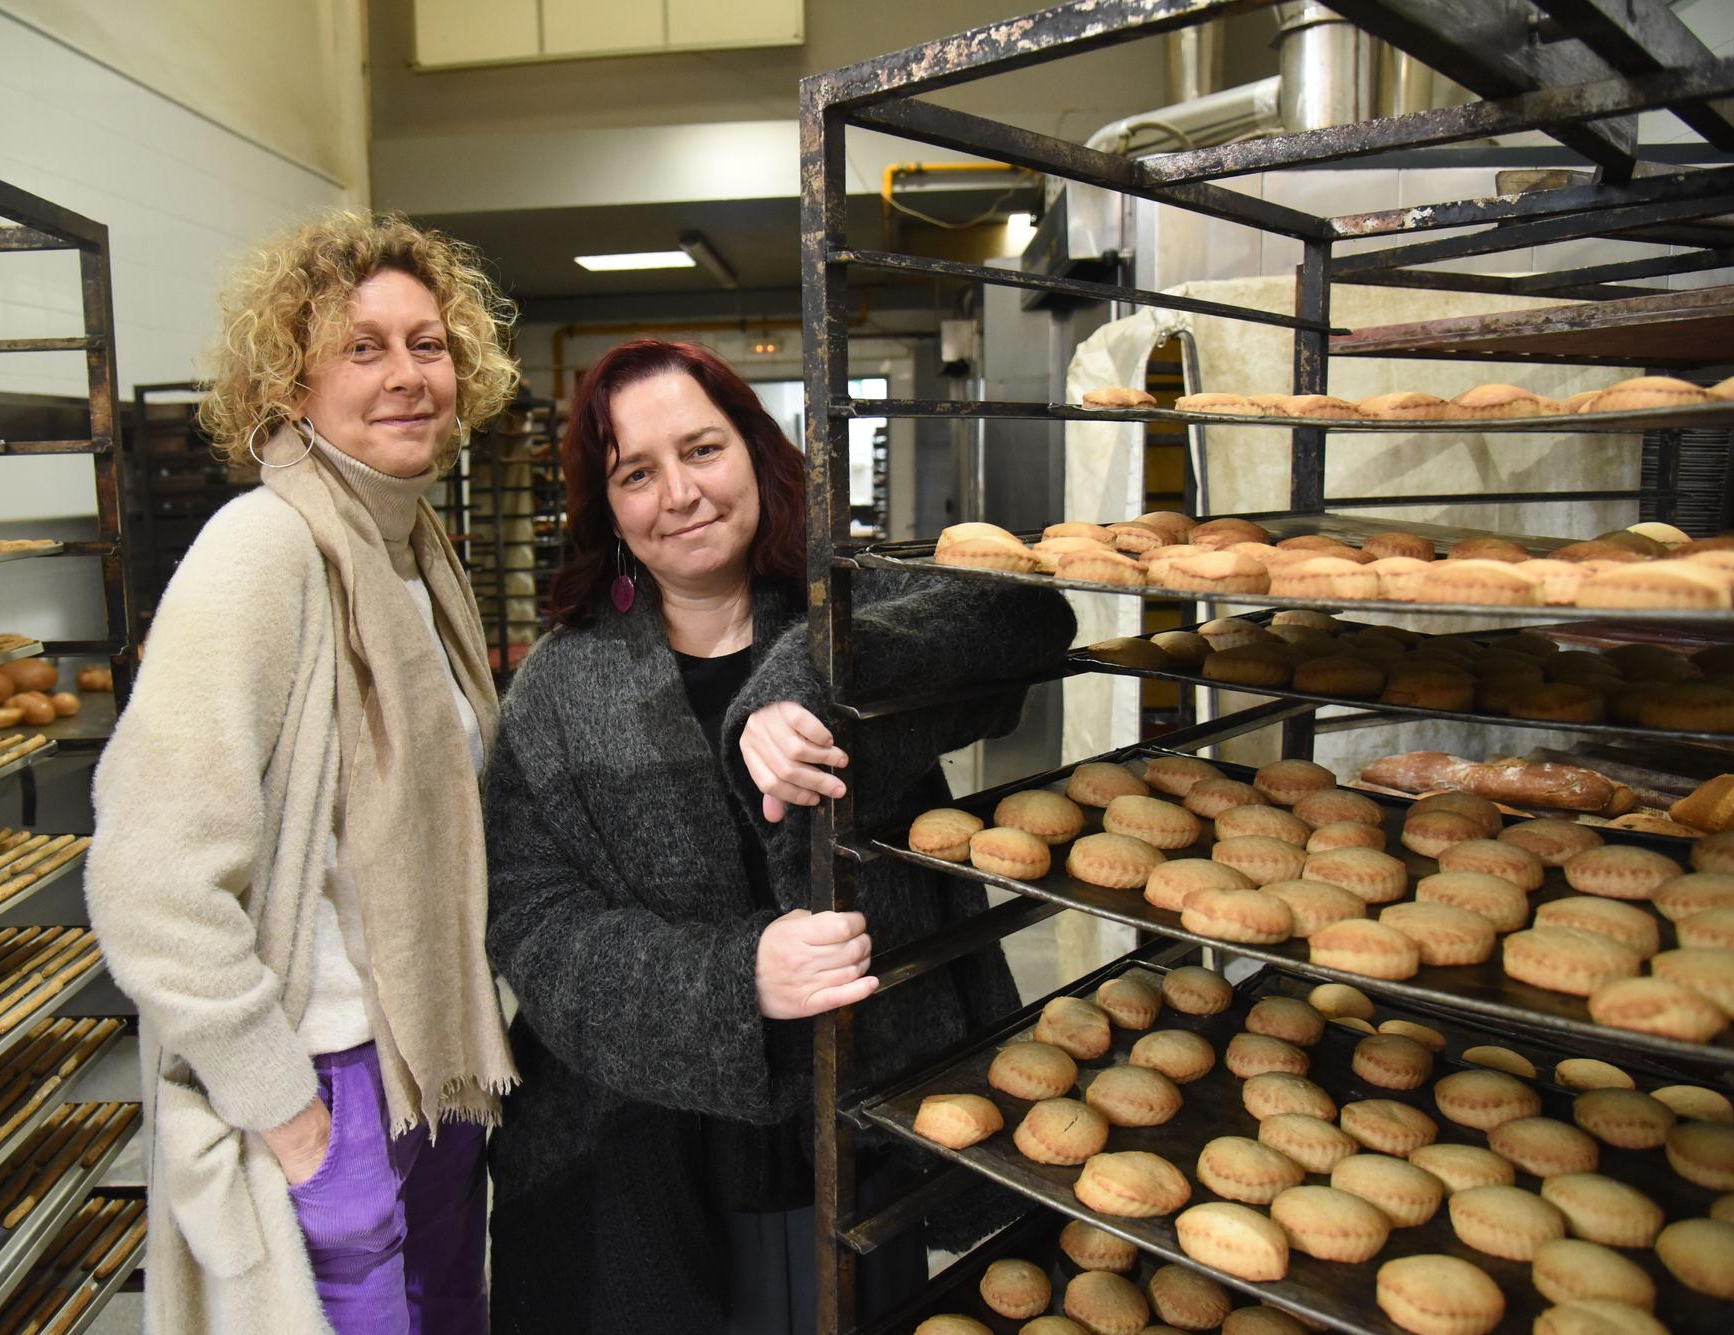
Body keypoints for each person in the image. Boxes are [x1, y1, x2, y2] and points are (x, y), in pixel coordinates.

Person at [482, 339, 1075, 1333]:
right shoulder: (559, 685)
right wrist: (733, 979)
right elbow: (531, 926)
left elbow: (1025, 615)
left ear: (755, 452)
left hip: (864, 1124)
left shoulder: (842, 602)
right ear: (609, 509)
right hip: (654, 1143)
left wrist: (813, 673)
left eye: (701, 449)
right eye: (636, 472)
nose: (679, 493)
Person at [84, 211, 521, 1335]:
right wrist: (294, 1126)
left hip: (432, 1068)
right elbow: (150, 882)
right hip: (326, 1082)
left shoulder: (415, 553)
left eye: (427, 344)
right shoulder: (261, 550)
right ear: (290, 382)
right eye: (362, 347)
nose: (407, 375)